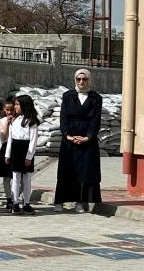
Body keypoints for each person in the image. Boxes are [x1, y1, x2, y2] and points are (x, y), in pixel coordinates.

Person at [54, 68, 103, 213]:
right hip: (70, 140)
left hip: (87, 140)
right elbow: (63, 117)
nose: (81, 82)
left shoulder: (96, 98)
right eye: (79, 79)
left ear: (89, 80)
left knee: (85, 171)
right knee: (66, 171)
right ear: (75, 80)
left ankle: (80, 202)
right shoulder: (68, 96)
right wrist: (68, 135)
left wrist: (88, 136)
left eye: (85, 79)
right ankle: (60, 201)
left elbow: (96, 120)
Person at [6, 94, 39, 215]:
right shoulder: (14, 120)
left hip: (26, 150)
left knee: (27, 178)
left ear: (24, 105)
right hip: (16, 148)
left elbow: (33, 141)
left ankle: (26, 203)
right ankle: (15, 203)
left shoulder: (32, 121)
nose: (15, 107)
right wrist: (7, 154)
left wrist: (29, 157)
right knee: (15, 177)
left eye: (17, 104)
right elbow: (10, 138)